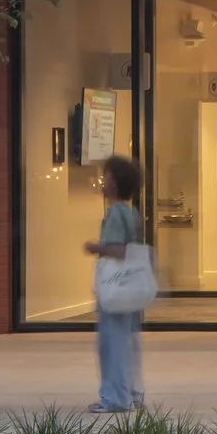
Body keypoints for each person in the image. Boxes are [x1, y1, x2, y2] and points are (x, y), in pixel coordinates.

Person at [82, 153, 146, 413]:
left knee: (112, 344)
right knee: (129, 342)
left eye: (106, 176)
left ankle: (114, 397)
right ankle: (132, 392)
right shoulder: (131, 213)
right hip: (130, 287)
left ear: (115, 183)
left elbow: (118, 249)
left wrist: (96, 247)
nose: (102, 181)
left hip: (115, 288)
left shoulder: (115, 213)